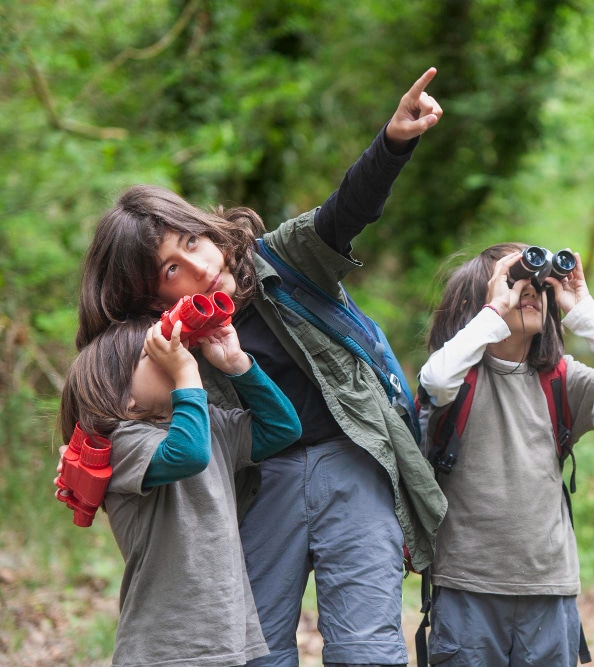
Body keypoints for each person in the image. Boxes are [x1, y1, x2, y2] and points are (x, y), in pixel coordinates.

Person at [69, 69, 448, 666]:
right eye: (169, 270)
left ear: (206, 230)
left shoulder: (284, 258)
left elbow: (344, 212)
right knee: (260, 647)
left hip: (351, 459)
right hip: (258, 476)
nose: (193, 268)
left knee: (366, 647)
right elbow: (123, 399)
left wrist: (394, 142)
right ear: (148, 297)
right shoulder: (166, 349)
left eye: (191, 244)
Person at [417, 243, 594, 666]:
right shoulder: (459, 379)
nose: (529, 292)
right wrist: (492, 313)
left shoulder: (560, 381)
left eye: (537, 287)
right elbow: (434, 379)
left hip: (550, 589)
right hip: (469, 587)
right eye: (514, 283)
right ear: (481, 299)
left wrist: (582, 307)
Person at [58, 316, 302, 666]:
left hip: (223, 636)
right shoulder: (124, 443)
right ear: (124, 399)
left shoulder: (208, 424)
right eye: (153, 354)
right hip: (163, 643)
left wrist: (237, 365)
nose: (175, 356)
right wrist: (186, 373)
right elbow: (188, 455)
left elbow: (283, 429)